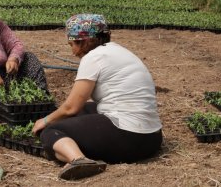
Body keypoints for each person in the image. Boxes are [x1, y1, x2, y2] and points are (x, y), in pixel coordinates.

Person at [32, 14, 162, 181]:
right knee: (88, 109)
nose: (72, 52)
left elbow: (71, 107)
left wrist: (45, 121)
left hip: (131, 139)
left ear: (85, 41)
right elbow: (78, 108)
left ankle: (78, 160)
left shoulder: (93, 57)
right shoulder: (119, 51)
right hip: (152, 139)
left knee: (51, 131)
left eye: (72, 44)